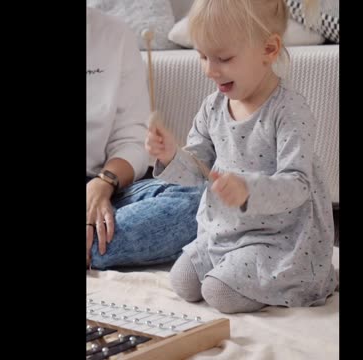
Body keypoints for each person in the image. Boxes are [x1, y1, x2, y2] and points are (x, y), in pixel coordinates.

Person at [145, 0, 337, 314]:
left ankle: (304, 279)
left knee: (217, 292)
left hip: (277, 238)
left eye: (223, 58)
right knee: (182, 281)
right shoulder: (212, 107)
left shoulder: (289, 110)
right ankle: (232, 268)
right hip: (224, 231)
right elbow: (197, 171)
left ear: (269, 50)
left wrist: (249, 189)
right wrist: (170, 155)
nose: (209, 69)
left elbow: (298, 184)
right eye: (202, 56)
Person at [86, 7, 203, 270]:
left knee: (200, 201)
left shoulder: (115, 36)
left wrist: (102, 185)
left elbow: (131, 138)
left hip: (102, 186)